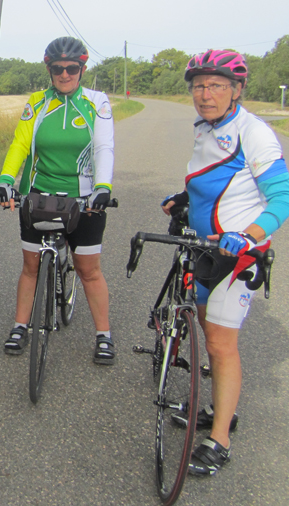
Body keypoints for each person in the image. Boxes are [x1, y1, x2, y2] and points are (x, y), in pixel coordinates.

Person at [161, 49, 289, 477]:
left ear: (236, 90)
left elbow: (282, 197)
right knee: (207, 332)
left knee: (220, 344)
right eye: (198, 85)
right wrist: (182, 200)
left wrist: (248, 235)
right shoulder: (206, 128)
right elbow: (211, 180)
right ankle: (218, 408)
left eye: (216, 85)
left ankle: (220, 439)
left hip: (236, 257)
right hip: (202, 250)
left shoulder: (254, 133)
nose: (205, 93)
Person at [0, 36, 115, 364]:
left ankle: (104, 335)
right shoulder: (37, 101)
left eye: (71, 68)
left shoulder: (97, 102)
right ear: (49, 69)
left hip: (85, 200)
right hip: (39, 196)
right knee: (30, 266)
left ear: (82, 69)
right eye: (57, 68)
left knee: (88, 270)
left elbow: (104, 146)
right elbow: (20, 144)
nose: (65, 74)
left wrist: (103, 186)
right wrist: (6, 180)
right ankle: (20, 325)